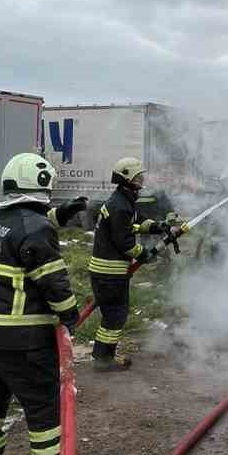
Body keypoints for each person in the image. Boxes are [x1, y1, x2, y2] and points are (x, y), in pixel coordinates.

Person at [0, 152, 98, 455]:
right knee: (43, 405)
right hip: (22, 336)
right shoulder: (36, 228)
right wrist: (69, 315)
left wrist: (62, 213)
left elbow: (27, 226)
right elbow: (53, 280)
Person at [88, 158, 185, 371]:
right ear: (127, 178)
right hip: (109, 272)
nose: (142, 180)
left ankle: (102, 355)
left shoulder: (123, 201)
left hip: (108, 271)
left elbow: (137, 222)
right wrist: (145, 254)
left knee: (112, 315)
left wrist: (159, 226)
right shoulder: (120, 206)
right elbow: (124, 243)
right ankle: (104, 360)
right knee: (115, 316)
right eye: (138, 177)